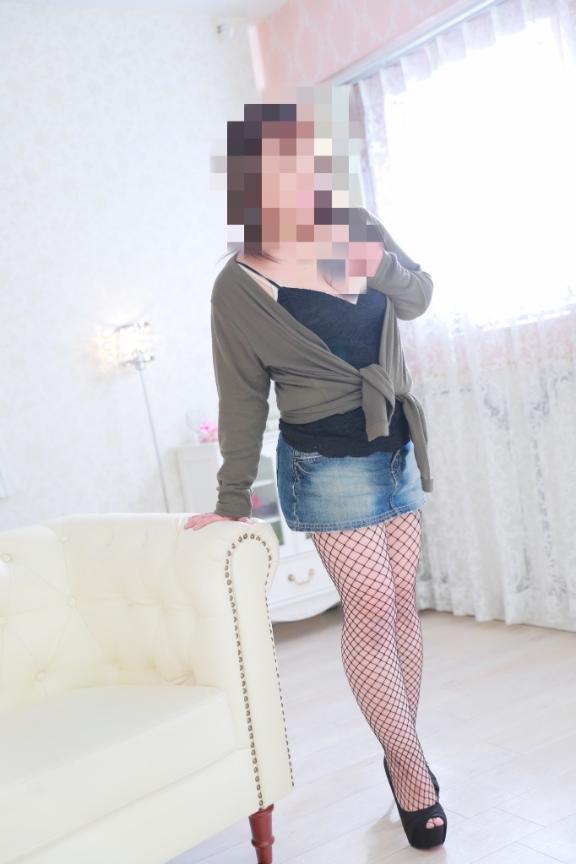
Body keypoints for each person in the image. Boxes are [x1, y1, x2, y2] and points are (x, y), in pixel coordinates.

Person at [185, 96, 446, 850]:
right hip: (326, 463)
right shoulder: (239, 282)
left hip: (394, 444)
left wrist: (378, 264)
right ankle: (413, 774)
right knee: (371, 608)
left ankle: (403, 755)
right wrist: (232, 499)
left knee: (401, 607)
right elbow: (242, 394)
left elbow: (419, 297)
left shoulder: (357, 226)